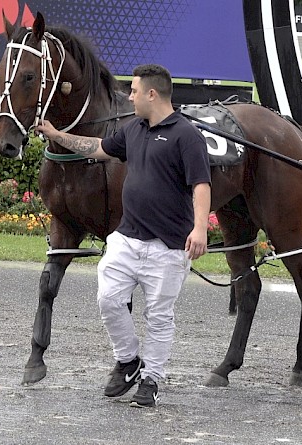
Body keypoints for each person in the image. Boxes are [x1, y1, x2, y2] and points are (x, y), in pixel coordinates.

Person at [36, 64, 211, 408]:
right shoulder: (133, 129)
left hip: (168, 248)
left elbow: (201, 184)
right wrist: (57, 135)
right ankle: (129, 360)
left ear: (152, 94)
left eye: (133, 90)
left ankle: (152, 379)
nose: (128, 96)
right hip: (126, 239)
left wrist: (200, 227)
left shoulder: (186, 136)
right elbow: (97, 147)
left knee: (159, 317)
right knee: (108, 299)